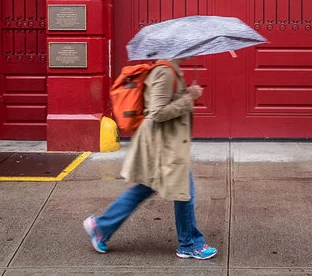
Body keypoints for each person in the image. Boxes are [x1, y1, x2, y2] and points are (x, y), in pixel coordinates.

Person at [83, 58, 217, 260]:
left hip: (166, 143)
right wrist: (188, 98)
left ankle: (101, 226)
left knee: (147, 188)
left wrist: (185, 95)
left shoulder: (171, 69)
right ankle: (189, 244)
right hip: (163, 145)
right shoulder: (165, 72)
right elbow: (157, 112)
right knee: (184, 193)